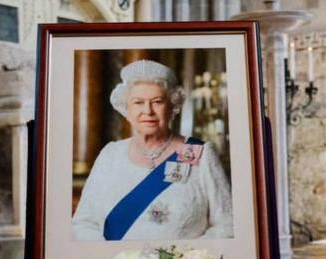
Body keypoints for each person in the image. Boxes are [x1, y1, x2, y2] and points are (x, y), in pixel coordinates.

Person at [71, 59, 233, 241]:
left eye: (157, 102)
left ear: (172, 106)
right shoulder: (110, 155)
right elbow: (84, 223)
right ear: (127, 109)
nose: (147, 111)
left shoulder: (198, 153)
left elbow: (227, 225)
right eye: (138, 102)